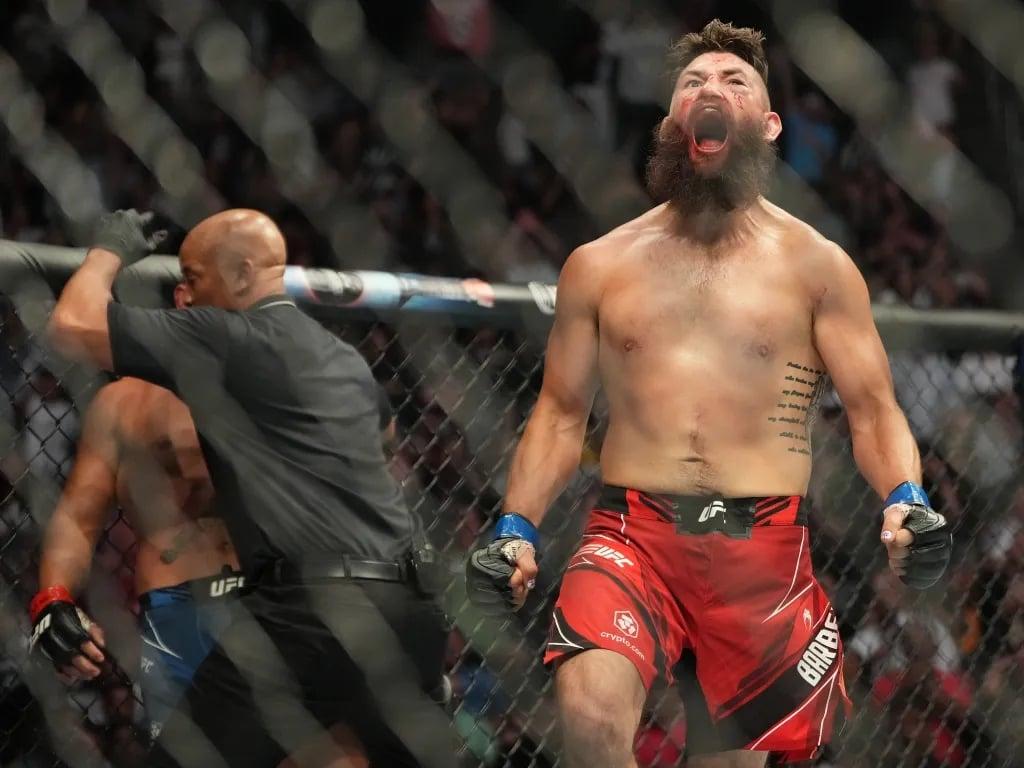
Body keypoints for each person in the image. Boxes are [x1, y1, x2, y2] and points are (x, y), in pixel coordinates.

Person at [466, 19, 952, 768]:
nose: (709, 91)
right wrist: (516, 527)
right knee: (591, 727)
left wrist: (905, 497)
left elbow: (874, 409)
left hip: (761, 550)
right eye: (692, 83)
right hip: (630, 537)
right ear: (671, 122)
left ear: (769, 122)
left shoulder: (818, 267)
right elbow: (560, 413)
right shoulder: (599, 265)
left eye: (733, 81)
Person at [46, 208, 454, 767]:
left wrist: (108, 250)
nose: (186, 294)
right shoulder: (337, 362)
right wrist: (53, 595)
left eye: (195, 278)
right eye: (180, 283)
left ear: (238, 278)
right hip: (264, 605)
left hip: (293, 608)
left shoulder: (233, 343)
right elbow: (77, 515)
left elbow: (73, 322)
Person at [31, 283, 242, 741]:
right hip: (181, 608)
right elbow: (77, 517)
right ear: (185, 298)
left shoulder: (287, 382)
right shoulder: (123, 402)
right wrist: (53, 599)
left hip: (281, 591)